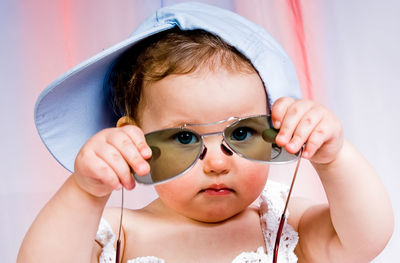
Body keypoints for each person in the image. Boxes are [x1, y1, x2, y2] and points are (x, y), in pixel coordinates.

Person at [18, 2, 393, 263]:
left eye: (242, 133)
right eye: (184, 138)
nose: (216, 162)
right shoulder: (122, 232)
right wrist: (87, 190)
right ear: (134, 142)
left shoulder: (279, 221)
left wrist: (333, 158)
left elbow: (365, 241)